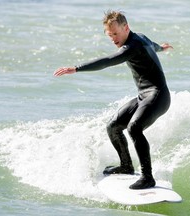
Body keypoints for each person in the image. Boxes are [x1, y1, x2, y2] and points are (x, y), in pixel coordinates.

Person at [54, 10, 173, 189]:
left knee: (134, 127)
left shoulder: (132, 46)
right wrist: (161, 48)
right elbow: (153, 45)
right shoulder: (140, 37)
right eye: (110, 36)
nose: (114, 39)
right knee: (113, 126)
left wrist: (76, 68)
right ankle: (126, 165)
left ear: (126, 28)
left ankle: (147, 177)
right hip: (144, 96)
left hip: (158, 96)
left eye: (116, 34)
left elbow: (108, 60)